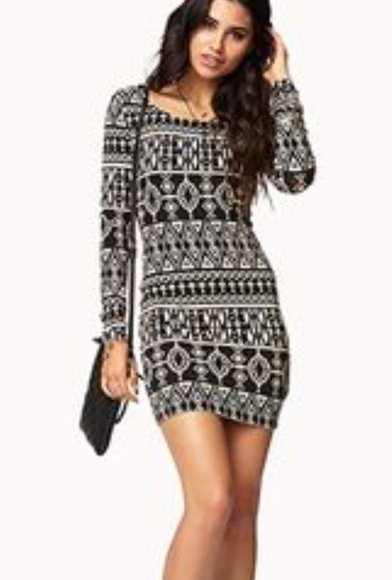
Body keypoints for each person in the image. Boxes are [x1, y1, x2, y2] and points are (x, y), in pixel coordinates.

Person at [98, 0, 316, 577]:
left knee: (242, 510)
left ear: (255, 45)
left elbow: (297, 176)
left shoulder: (247, 113)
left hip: (252, 322)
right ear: (187, 22)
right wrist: (117, 337)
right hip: (172, 326)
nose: (218, 44)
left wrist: (281, 83)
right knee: (212, 500)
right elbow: (115, 230)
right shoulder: (132, 108)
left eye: (237, 35)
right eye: (209, 25)